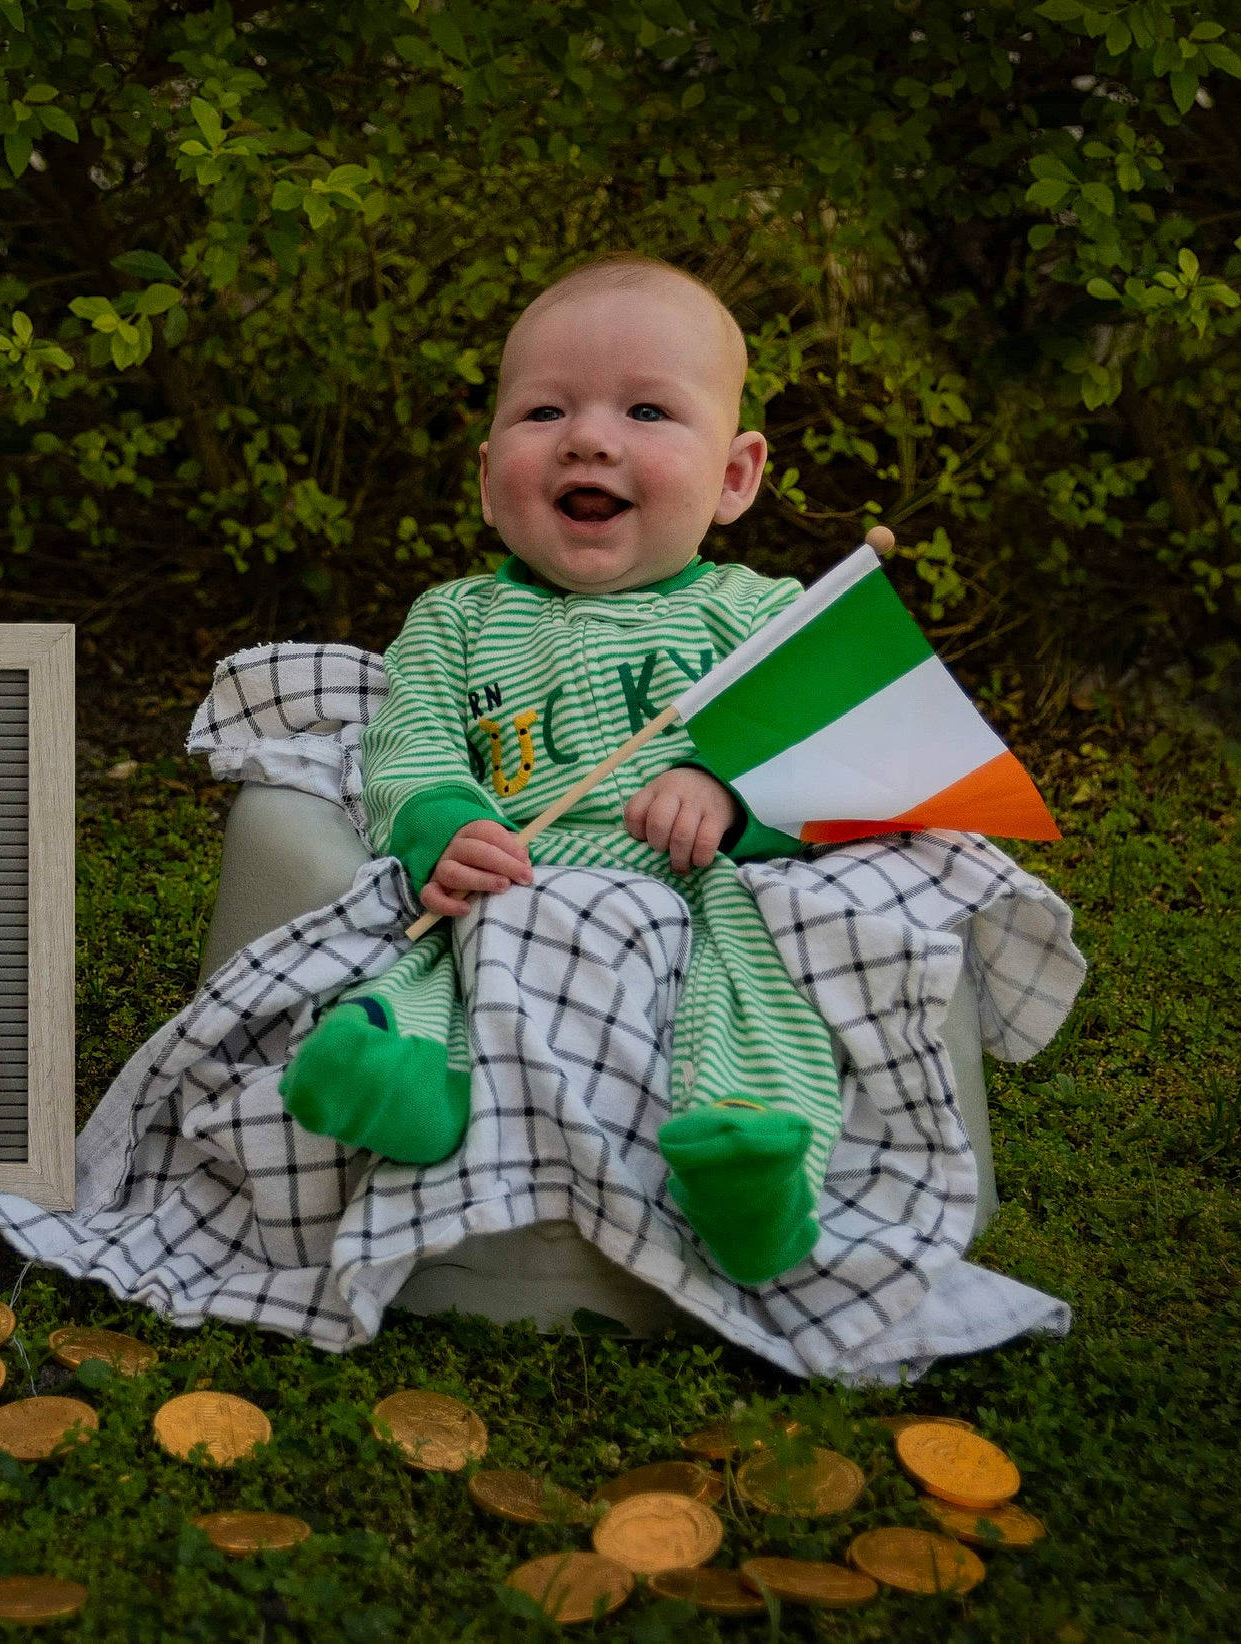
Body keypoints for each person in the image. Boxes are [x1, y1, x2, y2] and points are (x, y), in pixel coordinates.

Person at [278, 251, 840, 1288]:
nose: (587, 437)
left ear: (732, 477)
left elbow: (834, 753)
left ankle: (749, 1144)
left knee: (756, 981)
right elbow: (408, 746)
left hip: (695, 881)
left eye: (645, 412)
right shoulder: (456, 619)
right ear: (490, 479)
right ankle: (400, 1070)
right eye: (545, 414)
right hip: (518, 869)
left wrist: (726, 792)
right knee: (427, 946)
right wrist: (441, 827)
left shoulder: (759, 617)